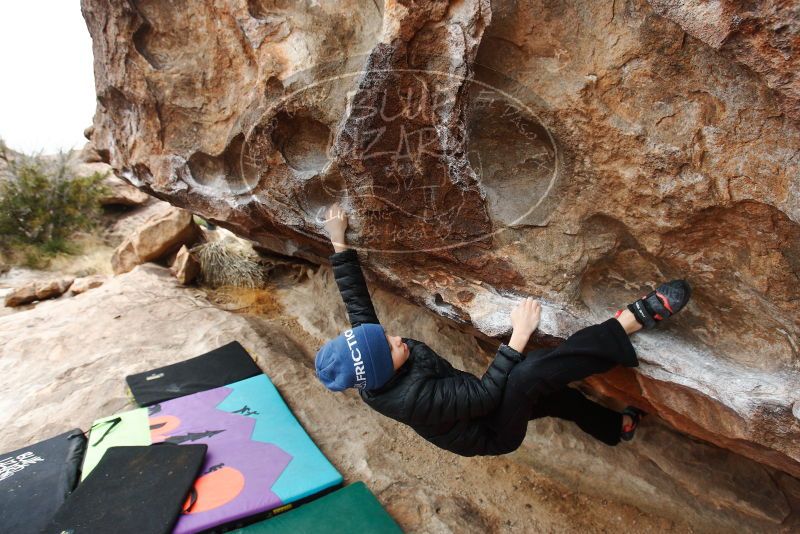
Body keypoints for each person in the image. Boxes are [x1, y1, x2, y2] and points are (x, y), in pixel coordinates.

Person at [315, 204, 691, 456]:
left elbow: (356, 301)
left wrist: (338, 239)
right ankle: (630, 321)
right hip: (491, 430)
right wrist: (520, 335)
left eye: (384, 335)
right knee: (530, 374)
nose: (395, 338)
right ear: (383, 372)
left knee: (559, 398)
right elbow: (483, 397)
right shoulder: (411, 400)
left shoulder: (371, 361)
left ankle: (617, 429)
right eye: (391, 348)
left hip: (473, 406)